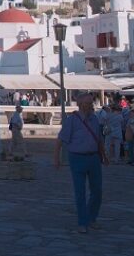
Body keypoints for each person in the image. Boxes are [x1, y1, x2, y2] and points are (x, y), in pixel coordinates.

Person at [54, 93, 109, 234]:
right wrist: (56, 158)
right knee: (80, 191)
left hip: (94, 158)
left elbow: (99, 139)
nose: (90, 106)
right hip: (77, 158)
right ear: (80, 104)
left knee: (97, 191)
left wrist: (104, 155)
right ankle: (82, 222)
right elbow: (60, 140)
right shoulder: (72, 120)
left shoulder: (95, 120)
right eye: (87, 103)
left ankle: (92, 218)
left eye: (91, 103)